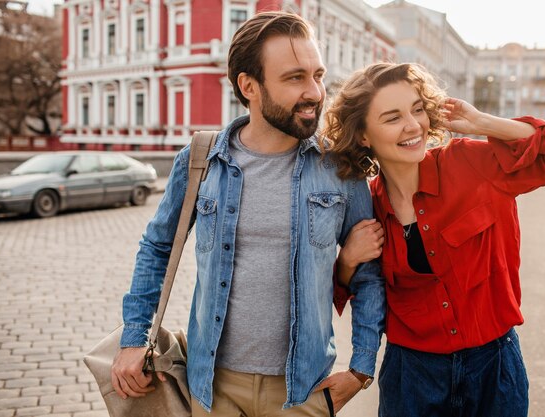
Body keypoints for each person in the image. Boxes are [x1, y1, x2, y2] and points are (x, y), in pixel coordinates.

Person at [110, 11, 385, 417]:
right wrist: (135, 337)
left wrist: (361, 369)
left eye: (318, 74)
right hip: (212, 386)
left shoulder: (340, 167)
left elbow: (368, 274)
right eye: (295, 78)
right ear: (249, 86)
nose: (314, 91)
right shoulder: (201, 160)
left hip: (303, 390)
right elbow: (157, 248)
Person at [325, 62, 545, 417]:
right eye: (392, 118)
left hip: (494, 367)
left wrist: (484, 123)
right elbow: (346, 291)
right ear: (363, 135)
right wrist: (346, 262)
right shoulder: (364, 205)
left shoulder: (470, 162)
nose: (413, 126)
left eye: (417, 110)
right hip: (412, 377)